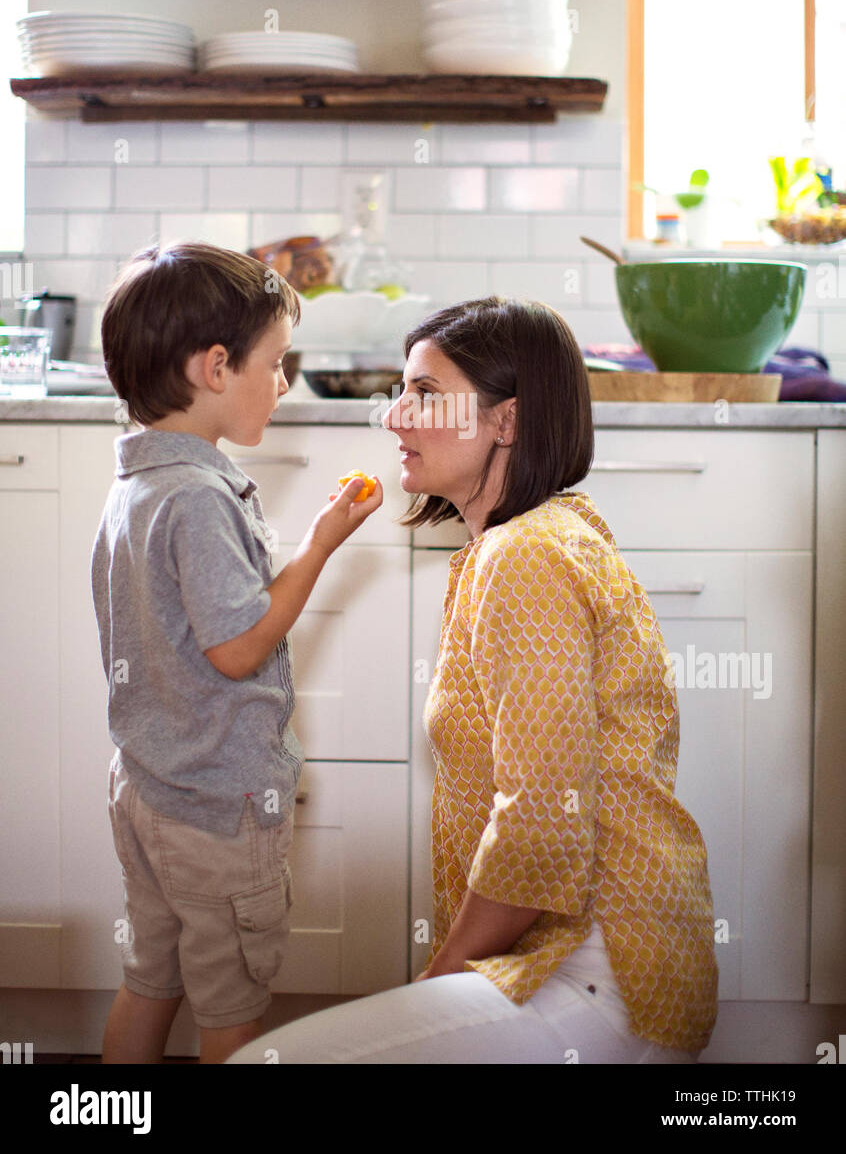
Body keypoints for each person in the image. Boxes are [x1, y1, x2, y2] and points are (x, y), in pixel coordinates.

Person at [227, 296, 719, 1065]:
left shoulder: (522, 556)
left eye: (424, 394)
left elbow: (539, 821)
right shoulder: (544, 536)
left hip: (593, 975)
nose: (394, 419)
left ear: (508, 422)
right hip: (601, 966)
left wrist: (440, 976)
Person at [91, 241, 382, 1064]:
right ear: (216, 368)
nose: (283, 384)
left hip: (147, 788)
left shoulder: (137, 484)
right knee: (231, 1009)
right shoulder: (198, 497)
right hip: (215, 810)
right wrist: (321, 544)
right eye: (277, 364)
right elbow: (238, 647)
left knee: (150, 979)